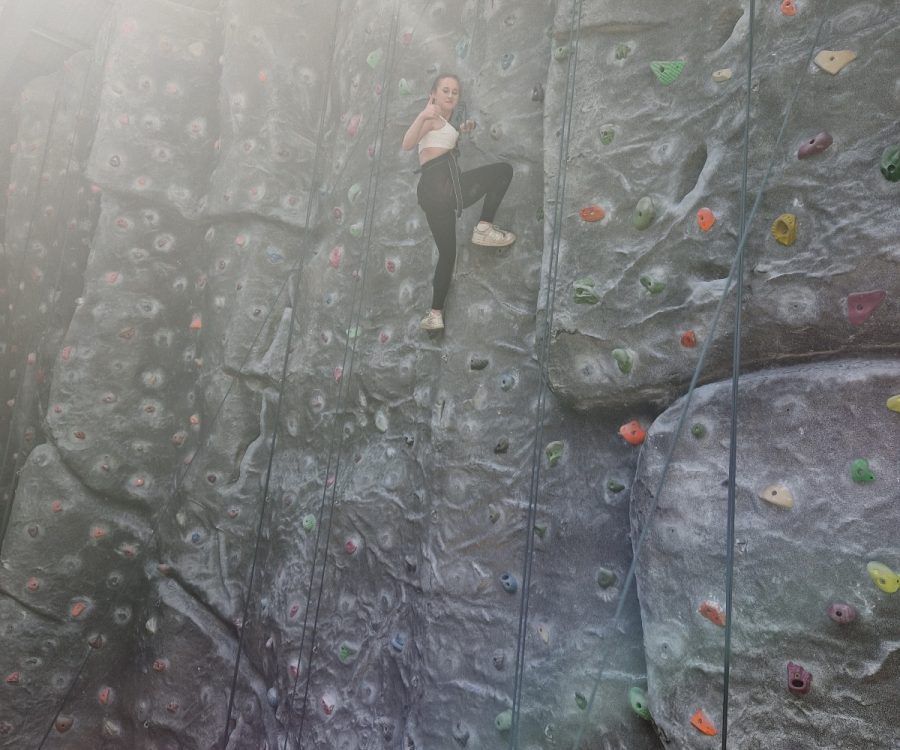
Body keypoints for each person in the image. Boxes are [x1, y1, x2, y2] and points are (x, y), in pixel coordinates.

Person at [401, 73, 515, 332]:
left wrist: (461, 132)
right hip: (443, 185)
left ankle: (435, 314)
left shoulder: (444, 123)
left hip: (433, 194)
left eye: (455, 91)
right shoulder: (430, 118)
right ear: (434, 93)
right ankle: (484, 228)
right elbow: (407, 143)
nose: (450, 95)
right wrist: (422, 114)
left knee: (447, 255)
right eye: (445, 90)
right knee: (503, 171)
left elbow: (442, 143)